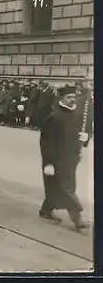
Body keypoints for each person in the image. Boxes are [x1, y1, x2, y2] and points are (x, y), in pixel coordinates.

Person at [39, 85, 90, 230]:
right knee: (67, 189)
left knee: (55, 186)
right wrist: (48, 162)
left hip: (71, 158)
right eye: (69, 97)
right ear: (61, 98)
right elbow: (46, 142)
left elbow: (82, 131)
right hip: (56, 160)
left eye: (74, 97)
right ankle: (77, 219)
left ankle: (45, 210)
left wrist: (85, 138)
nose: (72, 100)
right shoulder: (54, 117)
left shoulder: (76, 114)